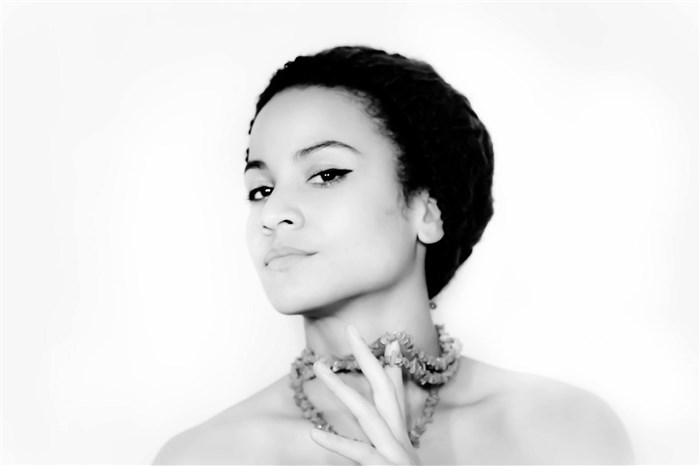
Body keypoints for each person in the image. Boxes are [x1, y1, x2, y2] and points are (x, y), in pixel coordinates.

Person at [153, 45, 634, 465]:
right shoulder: (204, 456)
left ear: (426, 211)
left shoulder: (565, 430)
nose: (273, 212)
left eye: (326, 174)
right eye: (260, 189)